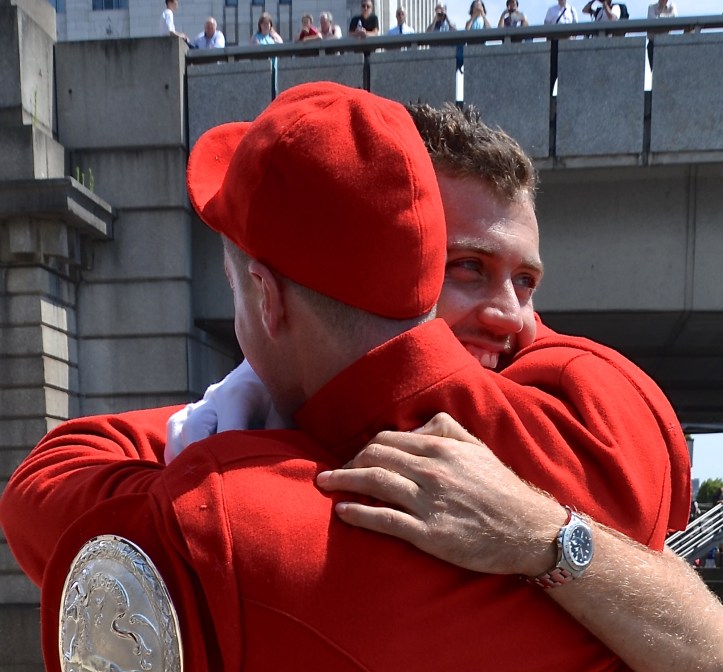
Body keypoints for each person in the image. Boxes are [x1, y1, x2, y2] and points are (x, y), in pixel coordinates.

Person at [0, 83, 696, 671]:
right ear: (415, 260)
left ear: (266, 298)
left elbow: (50, 490)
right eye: (466, 268)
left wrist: (220, 437)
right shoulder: (607, 423)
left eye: (524, 282)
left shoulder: (224, 521)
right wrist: (550, 537)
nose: (512, 316)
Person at [646, 0, 677, 67]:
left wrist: (660, 16)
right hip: (653, 44)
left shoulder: (672, 7)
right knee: (654, 70)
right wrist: (665, 22)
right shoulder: (651, 7)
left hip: (667, 44)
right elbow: (652, 23)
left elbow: (674, 20)